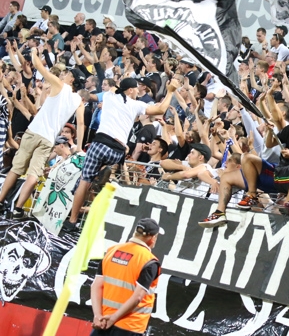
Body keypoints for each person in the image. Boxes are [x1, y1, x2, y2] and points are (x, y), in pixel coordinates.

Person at [65, 77, 179, 231]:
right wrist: (170, 91)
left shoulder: (109, 96)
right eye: (136, 88)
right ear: (130, 90)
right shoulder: (136, 104)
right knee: (108, 182)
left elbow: (96, 92)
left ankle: (72, 221)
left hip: (100, 144)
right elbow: (159, 110)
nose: (139, 90)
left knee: (85, 181)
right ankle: (104, 176)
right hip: (118, 151)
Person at [0, 47, 86, 218]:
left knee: (16, 169)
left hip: (34, 132)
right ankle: (17, 209)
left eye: (68, 73)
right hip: (48, 138)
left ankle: (1, 200)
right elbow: (82, 123)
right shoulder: (78, 99)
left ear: (71, 79)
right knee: (33, 174)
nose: (65, 74)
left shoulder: (59, 85)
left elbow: (39, 67)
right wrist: (79, 147)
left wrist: (34, 51)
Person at [90, 218, 162, 336]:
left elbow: (96, 286)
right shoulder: (149, 261)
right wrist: (114, 318)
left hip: (102, 322)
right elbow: (138, 297)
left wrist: (97, 315)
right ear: (153, 238)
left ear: (135, 232)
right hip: (130, 325)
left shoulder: (111, 251)